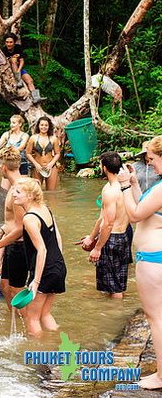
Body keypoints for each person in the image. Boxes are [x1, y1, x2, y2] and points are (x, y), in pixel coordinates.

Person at [118, 136, 162, 390]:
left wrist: (123, 186)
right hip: (156, 257)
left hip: (154, 259)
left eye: (153, 160)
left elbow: (134, 214)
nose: (151, 165)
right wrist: (134, 184)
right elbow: (144, 208)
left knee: (156, 317)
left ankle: (160, 375)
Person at [13, 178, 66, 337]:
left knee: (32, 318)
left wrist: (36, 282)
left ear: (29, 196)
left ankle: (40, 353)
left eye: (18, 192)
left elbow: (41, 249)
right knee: (45, 314)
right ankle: (57, 342)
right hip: (57, 266)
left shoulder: (29, 218)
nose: (13, 194)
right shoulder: (45, 208)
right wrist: (58, 261)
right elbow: (57, 236)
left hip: (44, 270)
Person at [82, 152, 132, 298]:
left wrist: (97, 248)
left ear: (104, 167)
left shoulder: (110, 191)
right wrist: (91, 238)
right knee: (116, 282)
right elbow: (102, 218)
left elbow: (108, 223)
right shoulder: (125, 187)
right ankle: (114, 312)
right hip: (123, 236)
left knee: (114, 288)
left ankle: (115, 315)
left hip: (112, 238)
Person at [0, 147, 29, 310]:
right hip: (11, 242)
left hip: (20, 245)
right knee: (4, 286)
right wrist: (3, 229)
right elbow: (13, 221)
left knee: (16, 290)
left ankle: (27, 325)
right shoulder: (14, 187)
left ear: (3, 167)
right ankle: (14, 323)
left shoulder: (19, 189)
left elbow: (20, 228)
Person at [0, 115, 30, 189]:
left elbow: (21, 148)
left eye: (14, 123)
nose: (11, 125)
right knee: (4, 190)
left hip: (21, 164)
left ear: (20, 124)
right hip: (8, 164)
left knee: (21, 189)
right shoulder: (7, 135)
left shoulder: (25, 135)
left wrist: (5, 152)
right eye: (11, 122)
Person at [2, 33, 43, 103]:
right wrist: (12, 58)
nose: (9, 44)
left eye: (11, 42)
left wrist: (18, 71)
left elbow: (22, 60)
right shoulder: (3, 50)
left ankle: (36, 97)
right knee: (14, 59)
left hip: (18, 69)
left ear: (14, 43)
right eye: (7, 42)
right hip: (9, 70)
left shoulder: (18, 47)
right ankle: (18, 80)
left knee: (29, 80)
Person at [25, 116, 61, 190]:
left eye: (46, 125)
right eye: (42, 125)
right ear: (38, 126)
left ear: (49, 126)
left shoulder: (53, 139)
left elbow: (57, 153)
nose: (44, 127)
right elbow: (28, 153)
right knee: (36, 191)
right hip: (37, 167)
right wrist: (36, 164)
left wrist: (51, 164)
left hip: (51, 167)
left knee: (51, 193)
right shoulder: (33, 138)